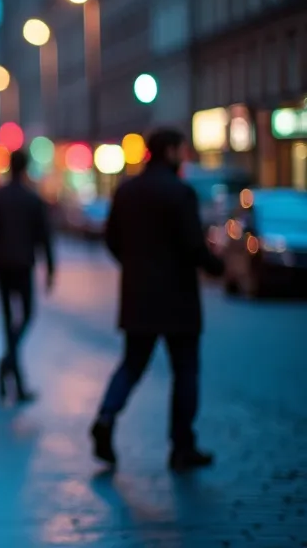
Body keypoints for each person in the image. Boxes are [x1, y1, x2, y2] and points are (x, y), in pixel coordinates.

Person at [91, 128, 224, 471]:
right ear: (170, 151)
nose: (184, 156)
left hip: (138, 295)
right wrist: (216, 266)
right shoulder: (180, 193)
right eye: (182, 150)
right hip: (178, 297)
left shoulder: (127, 191)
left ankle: (106, 416)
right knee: (185, 371)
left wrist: (135, 267)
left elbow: (112, 240)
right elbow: (194, 246)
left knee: (132, 364)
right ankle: (182, 446)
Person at [0, 148, 55, 403]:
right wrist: (51, 269)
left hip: (2, 265)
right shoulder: (32, 199)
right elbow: (44, 236)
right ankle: (12, 374)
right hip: (24, 264)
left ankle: (9, 371)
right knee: (26, 316)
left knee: (9, 320)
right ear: (25, 168)